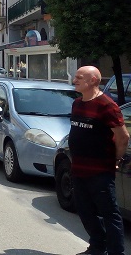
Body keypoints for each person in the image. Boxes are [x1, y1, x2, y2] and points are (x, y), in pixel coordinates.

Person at [69, 66, 129, 255]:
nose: (74, 80)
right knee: (85, 211)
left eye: (79, 77)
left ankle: (115, 252)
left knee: (109, 213)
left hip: (100, 171)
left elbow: (123, 136)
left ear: (93, 80)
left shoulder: (107, 105)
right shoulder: (77, 103)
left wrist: (117, 158)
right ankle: (97, 246)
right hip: (78, 169)